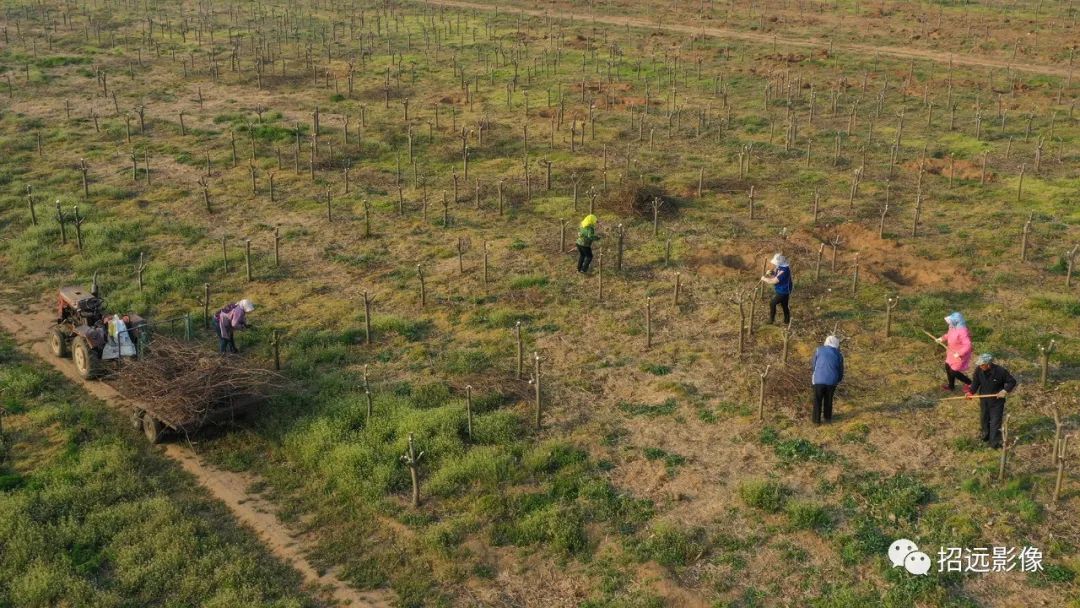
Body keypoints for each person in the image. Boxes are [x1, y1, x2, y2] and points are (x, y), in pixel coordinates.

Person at [966, 354, 1017, 449]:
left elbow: (1012, 381)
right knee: (984, 419)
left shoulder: (1000, 371)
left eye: (982, 365)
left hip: (997, 401)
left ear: (988, 364)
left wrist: (1004, 391)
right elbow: (976, 382)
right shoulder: (978, 370)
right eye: (979, 364)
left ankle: (994, 443)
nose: (980, 366)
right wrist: (971, 392)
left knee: (995, 422)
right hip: (984, 400)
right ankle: (985, 436)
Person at [810, 335, 844, 424]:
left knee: (817, 400)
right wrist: (838, 379)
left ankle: (816, 421)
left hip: (818, 379)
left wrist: (815, 373)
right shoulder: (839, 354)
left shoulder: (818, 350)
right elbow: (840, 369)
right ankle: (827, 418)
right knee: (828, 400)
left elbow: (813, 364)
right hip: (832, 380)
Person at [937, 312, 973, 395]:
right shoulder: (952, 327)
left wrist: (959, 353)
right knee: (947, 366)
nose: (949, 323)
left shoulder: (963, 332)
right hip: (951, 352)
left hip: (960, 355)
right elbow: (948, 335)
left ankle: (970, 383)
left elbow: (967, 345)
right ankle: (951, 386)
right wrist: (942, 338)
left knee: (954, 371)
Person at [760, 253, 792, 325]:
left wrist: (764, 279)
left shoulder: (784, 271)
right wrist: (771, 272)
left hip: (783, 291)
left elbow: (774, 281)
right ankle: (787, 320)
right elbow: (776, 273)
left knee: (772, 303)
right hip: (782, 289)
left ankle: (771, 320)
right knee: (784, 305)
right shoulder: (780, 266)